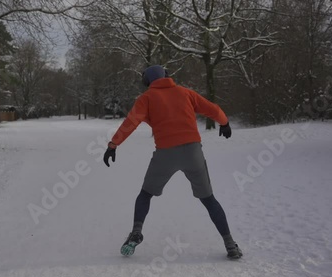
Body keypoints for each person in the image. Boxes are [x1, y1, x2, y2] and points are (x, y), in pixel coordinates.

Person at [103, 65, 242, 259]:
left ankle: (136, 232)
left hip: (165, 154)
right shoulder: (185, 93)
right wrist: (225, 123)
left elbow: (130, 123)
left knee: (145, 195)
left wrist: (113, 145)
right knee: (209, 199)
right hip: (193, 152)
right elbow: (213, 109)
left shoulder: (146, 99)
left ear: (147, 81)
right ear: (167, 76)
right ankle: (230, 245)